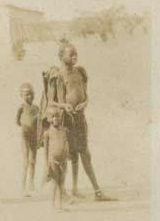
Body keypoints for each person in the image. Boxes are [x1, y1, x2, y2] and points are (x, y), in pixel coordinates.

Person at [45, 42, 112, 201]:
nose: (74, 56)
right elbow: (50, 102)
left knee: (85, 154)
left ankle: (97, 191)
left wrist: (85, 103)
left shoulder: (80, 72)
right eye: (71, 54)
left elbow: (85, 94)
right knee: (67, 157)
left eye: (76, 53)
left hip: (80, 119)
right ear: (62, 57)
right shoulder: (57, 77)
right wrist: (64, 105)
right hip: (65, 122)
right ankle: (63, 193)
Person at [43, 105, 69, 211]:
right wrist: (47, 164)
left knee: (61, 183)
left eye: (58, 116)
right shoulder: (47, 133)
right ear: (49, 119)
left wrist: (68, 156)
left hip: (63, 160)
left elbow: (66, 144)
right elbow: (46, 150)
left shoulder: (64, 130)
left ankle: (60, 205)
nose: (57, 119)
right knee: (55, 182)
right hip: (53, 160)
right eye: (54, 116)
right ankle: (52, 204)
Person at [16, 82, 39, 196]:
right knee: (26, 161)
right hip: (25, 134)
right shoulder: (21, 107)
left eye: (31, 94)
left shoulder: (36, 108)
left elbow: (39, 122)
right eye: (26, 94)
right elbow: (17, 121)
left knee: (33, 161)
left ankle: (31, 183)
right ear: (22, 95)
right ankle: (23, 185)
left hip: (34, 135)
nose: (29, 96)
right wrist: (26, 126)